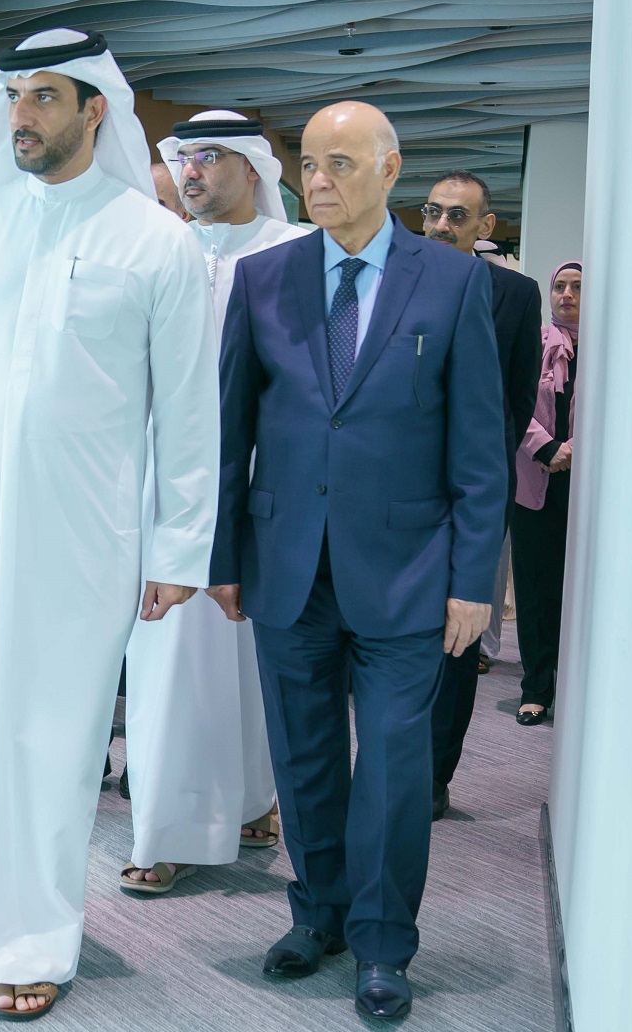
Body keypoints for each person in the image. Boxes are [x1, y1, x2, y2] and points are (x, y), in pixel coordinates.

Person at [0, 28, 218, 1020]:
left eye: (43, 100)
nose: (20, 118)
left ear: (94, 110)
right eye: (12, 98)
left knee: (58, 736)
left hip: (89, 537)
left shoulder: (156, 239)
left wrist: (179, 545)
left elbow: (189, 415)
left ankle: (32, 937)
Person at [208, 101, 506, 1022]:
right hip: (288, 563)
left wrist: (472, 581)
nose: (320, 179)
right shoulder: (263, 279)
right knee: (304, 762)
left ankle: (383, 944)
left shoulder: (453, 284)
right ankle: (320, 916)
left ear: (390, 169)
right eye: (308, 162)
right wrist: (224, 556)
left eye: (341, 161)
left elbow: (480, 449)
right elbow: (232, 433)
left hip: (411, 572)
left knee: (390, 766)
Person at [115, 111, 305, 896]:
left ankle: (257, 799)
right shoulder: (163, 247)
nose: (189, 173)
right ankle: (165, 828)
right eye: (181, 158)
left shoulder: (295, 255)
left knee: (258, 656)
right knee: (169, 657)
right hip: (163, 481)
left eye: (207, 158)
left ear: (254, 169)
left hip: (266, 484)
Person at [418, 170, 544, 816]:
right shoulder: (394, 277)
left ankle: (436, 774)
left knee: (460, 633)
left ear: (484, 228)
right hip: (397, 489)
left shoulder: (515, 295)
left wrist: (484, 478)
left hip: (472, 494)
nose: (442, 226)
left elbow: (519, 398)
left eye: (457, 217)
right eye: (433, 213)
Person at [512, 261, 582, 726]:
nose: (566, 295)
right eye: (559, 286)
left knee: (580, 591)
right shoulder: (535, 343)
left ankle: (579, 687)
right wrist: (549, 448)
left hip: (587, 487)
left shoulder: (609, 348)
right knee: (536, 590)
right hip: (536, 481)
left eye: (578, 287)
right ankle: (536, 688)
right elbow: (512, 399)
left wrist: (581, 448)